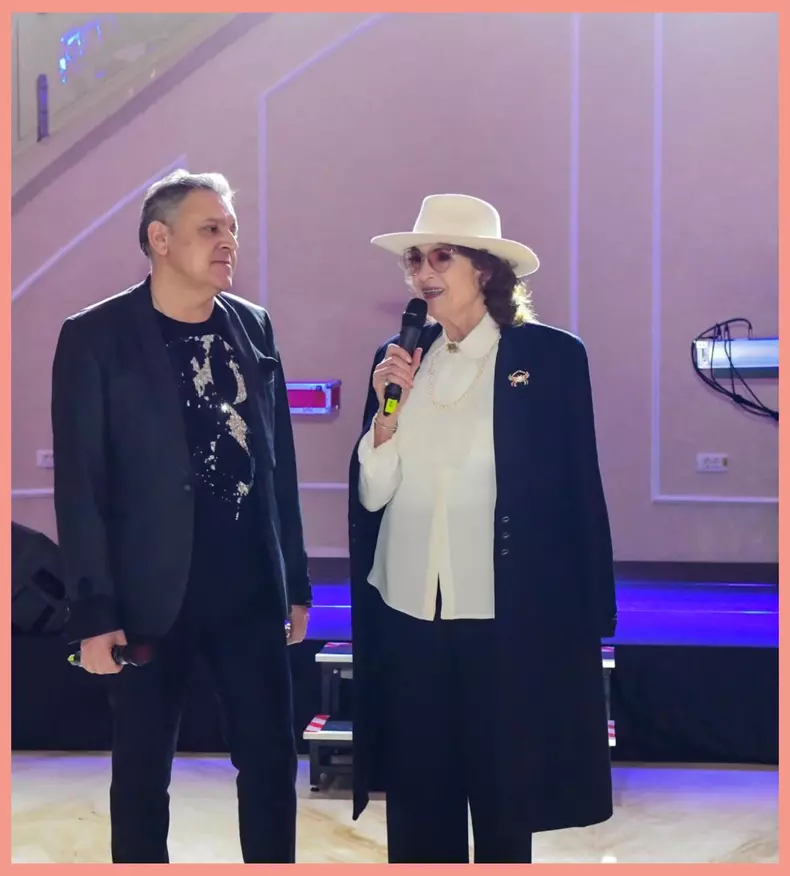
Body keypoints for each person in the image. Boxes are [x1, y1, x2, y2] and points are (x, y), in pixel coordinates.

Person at [51, 169, 311, 864]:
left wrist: (295, 581)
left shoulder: (253, 325)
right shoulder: (95, 336)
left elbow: (277, 465)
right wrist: (94, 613)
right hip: (146, 601)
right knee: (141, 775)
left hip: (250, 592)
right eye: (210, 229)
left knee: (271, 763)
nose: (228, 242)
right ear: (159, 240)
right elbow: (80, 488)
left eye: (232, 229)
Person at [348, 194, 617, 863]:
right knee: (418, 798)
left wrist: (590, 607)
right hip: (409, 609)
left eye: (441, 257)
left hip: (503, 611)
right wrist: (386, 419)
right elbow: (373, 493)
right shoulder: (399, 359)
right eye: (415, 260)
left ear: (486, 269)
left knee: (504, 800)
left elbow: (578, 485)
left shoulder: (549, 358)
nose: (423, 273)